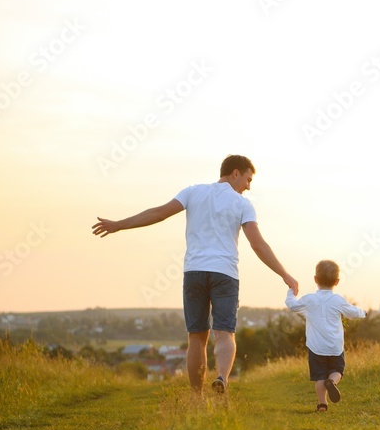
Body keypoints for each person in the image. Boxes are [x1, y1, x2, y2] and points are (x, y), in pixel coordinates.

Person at [92, 155, 298, 394]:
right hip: (225, 274)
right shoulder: (243, 205)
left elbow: (158, 213)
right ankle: (221, 378)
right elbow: (257, 244)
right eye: (248, 179)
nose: (248, 186)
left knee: (196, 339)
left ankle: (196, 398)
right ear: (235, 173)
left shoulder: (193, 192)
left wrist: (119, 224)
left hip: (194, 273)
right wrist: (284, 274)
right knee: (224, 333)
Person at [285, 260, 366, 412]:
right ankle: (333, 382)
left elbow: (292, 305)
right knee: (337, 370)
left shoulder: (309, 299)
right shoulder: (338, 300)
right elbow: (352, 312)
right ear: (337, 281)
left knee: (319, 377)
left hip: (316, 347)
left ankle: (322, 404)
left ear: (315, 279)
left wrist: (291, 291)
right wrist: (363, 313)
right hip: (335, 346)